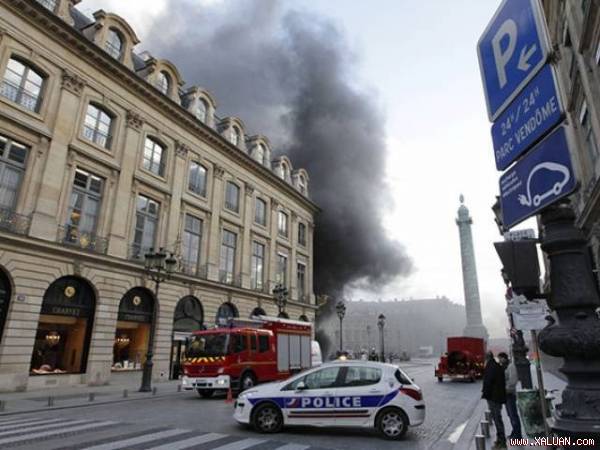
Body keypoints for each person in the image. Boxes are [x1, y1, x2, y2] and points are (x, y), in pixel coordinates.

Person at [482, 351, 507, 449]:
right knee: (497, 418)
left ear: (486, 358)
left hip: (494, 397)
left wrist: (485, 393)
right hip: (497, 396)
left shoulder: (491, 367)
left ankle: (502, 441)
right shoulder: (496, 366)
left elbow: (488, 382)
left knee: (497, 419)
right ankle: (500, 439)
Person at [498, 352, 522, 440]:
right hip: (505, 394)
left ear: (504, 358)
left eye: (500, 358)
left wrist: (506, 388)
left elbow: (513, 380)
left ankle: (518, 435)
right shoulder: (504, 366)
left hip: (510, 394)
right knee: (510, 414)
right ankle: (514, 432)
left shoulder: (511, 366)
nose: (499, 360)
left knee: (513, 414)